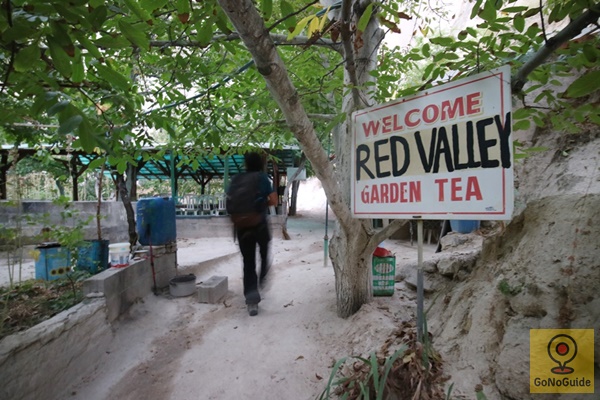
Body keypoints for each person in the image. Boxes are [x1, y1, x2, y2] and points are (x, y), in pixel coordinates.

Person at [227, 152, 277, 316]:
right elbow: (274, 201)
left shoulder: (236, 179)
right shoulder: (262, 178)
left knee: (248, 262)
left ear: (246, 164)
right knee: (263, 254)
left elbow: (230, 201)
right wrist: (262, 202)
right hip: (259, 224)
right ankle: (262, 276)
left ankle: (252, 301)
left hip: (241, 227)